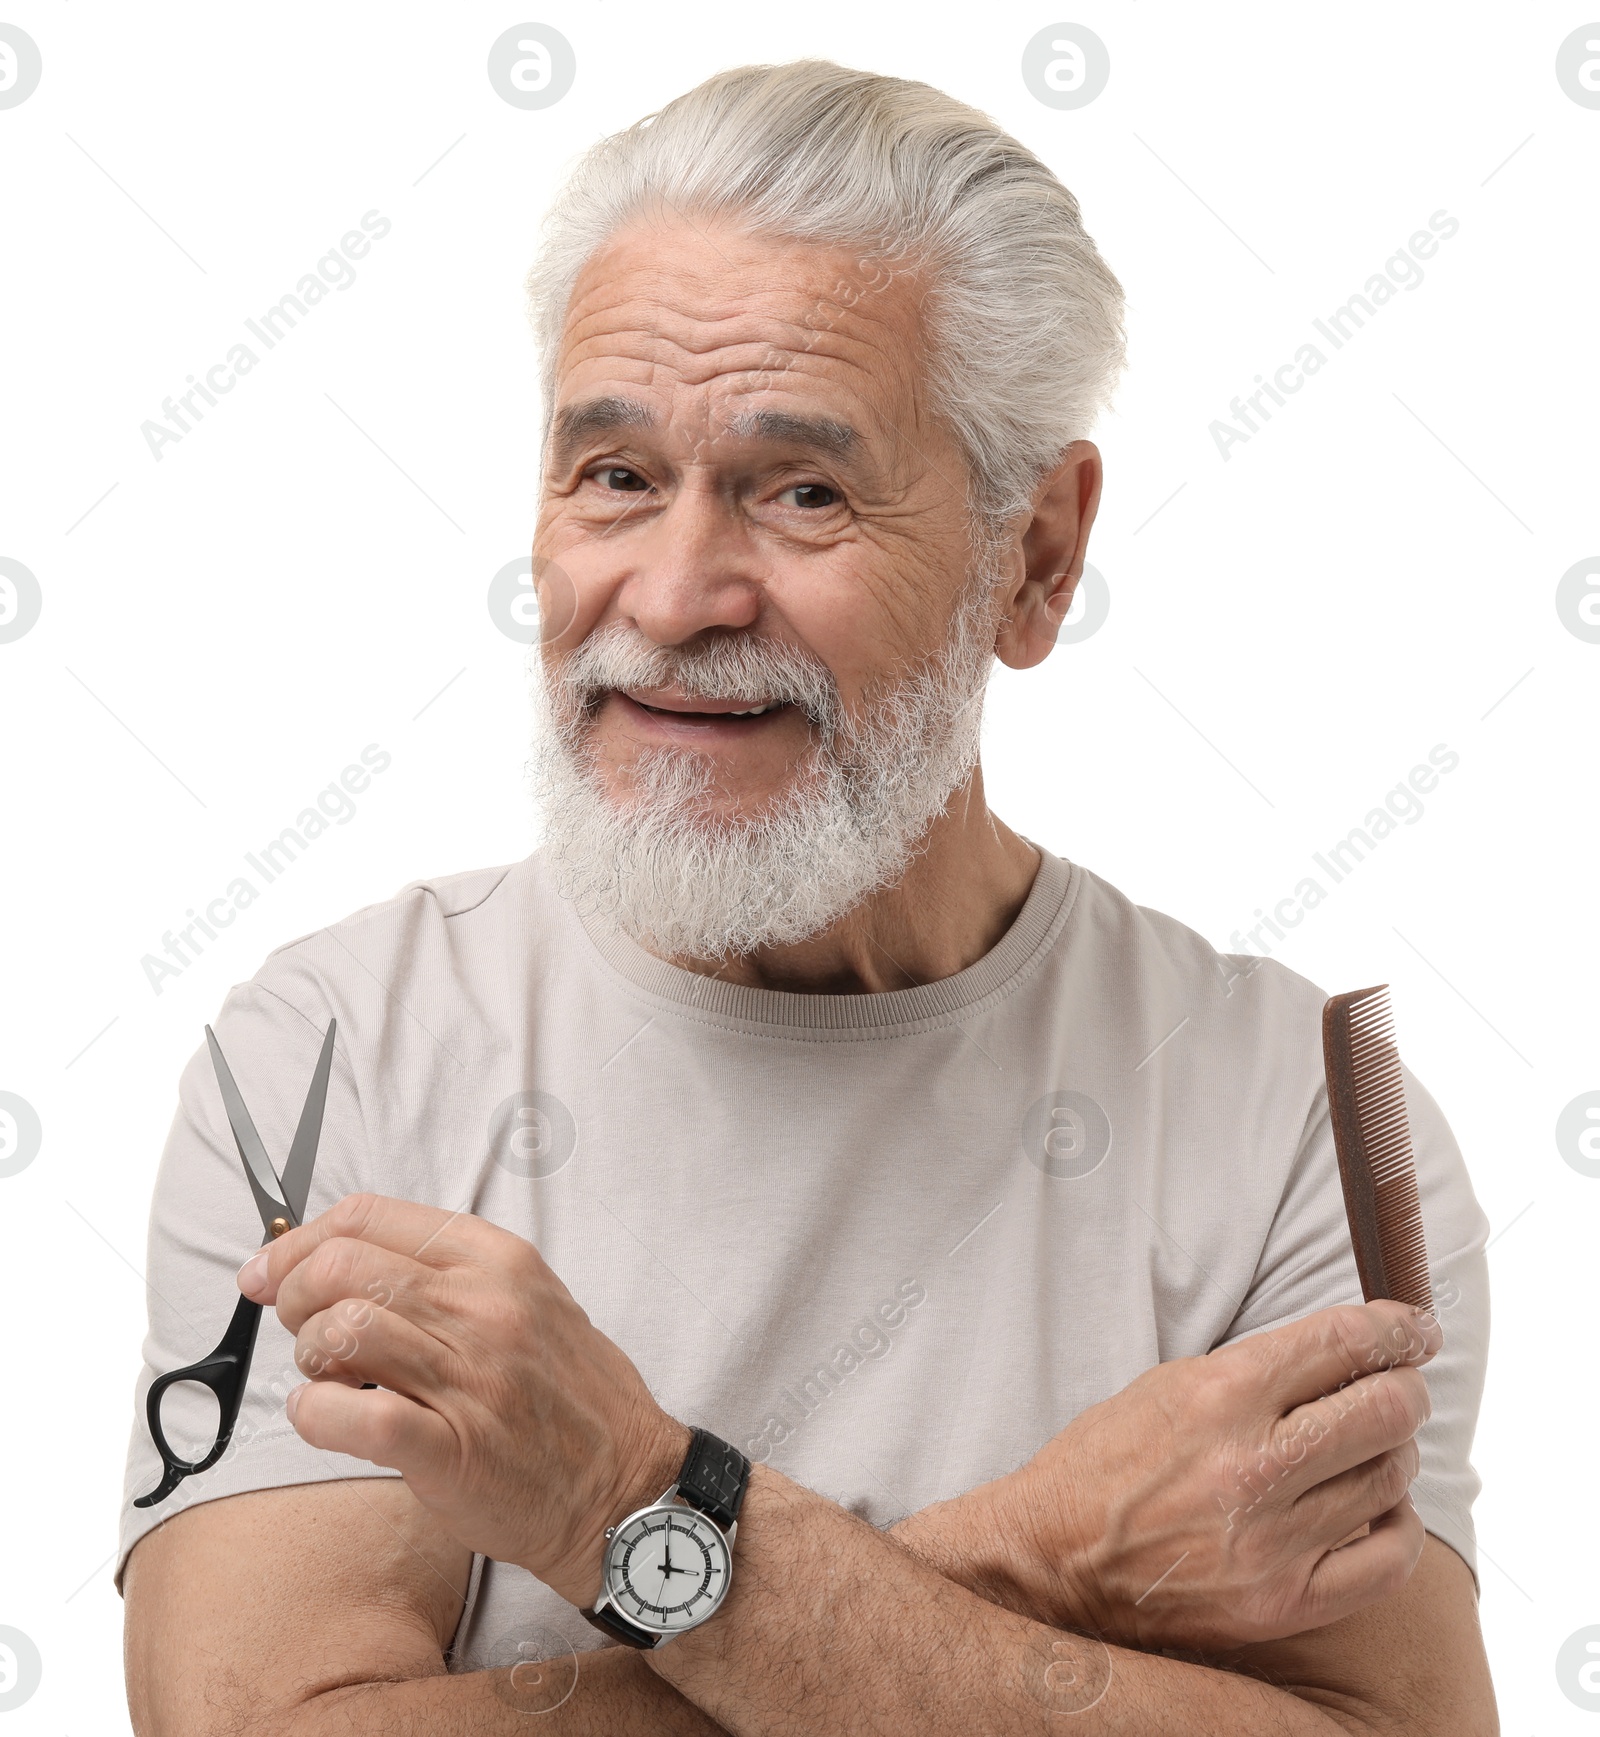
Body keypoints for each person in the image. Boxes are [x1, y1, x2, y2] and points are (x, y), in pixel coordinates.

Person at [120, 59, 1496, 1734]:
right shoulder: (335, 1055)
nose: (677, 595)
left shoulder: (1290, 1117)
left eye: (803, 491)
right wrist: (1045, 1548)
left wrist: (625, 1501)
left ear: (1036, 557)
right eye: (615, 473)